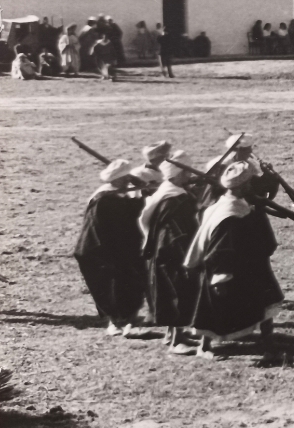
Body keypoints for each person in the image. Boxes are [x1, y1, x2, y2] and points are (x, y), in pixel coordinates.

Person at [185, 161, 284, 360]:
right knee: (214, 309)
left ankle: (268, 344)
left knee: (267, 300)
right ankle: (204, 348)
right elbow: (221, 249)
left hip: (250, 265)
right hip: (227, 270)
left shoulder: (236, 204)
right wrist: (221, 276)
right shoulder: (229, 213)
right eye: (249, 182)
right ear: (242, 186)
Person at [74, 159, 147, 337]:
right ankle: (115, 321)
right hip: (99, 250)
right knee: (110, 286)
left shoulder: (116, 195)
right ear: (120, 179)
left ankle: (126, 318)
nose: (129, 179)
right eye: (127, 177)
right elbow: (124, 218)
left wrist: (141, 189)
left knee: (126, 282)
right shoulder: (105, 199)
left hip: (114, 248)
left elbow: (133, 209)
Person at [139, 151, 201, 354]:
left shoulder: (167, 193)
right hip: (172, 252)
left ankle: (173, 335)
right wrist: (189, 257)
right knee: (177, 293)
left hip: (164, 251)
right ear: (176, 175)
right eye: (186, 173)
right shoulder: (175, 200)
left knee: (171, 293)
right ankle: (176, 341)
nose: (189, 177)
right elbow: (177, 231)